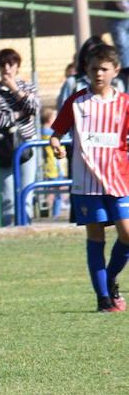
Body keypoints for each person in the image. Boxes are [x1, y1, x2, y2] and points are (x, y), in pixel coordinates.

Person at [48, 41, 129, 312]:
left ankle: (110, 277)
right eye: (94, 68)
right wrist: (57, 145)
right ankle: (103, 298)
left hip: (118, 180)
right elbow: (56, 133)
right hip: (87, 183)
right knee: (96, 237)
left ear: (115, 71)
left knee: (127, 234)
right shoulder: (77, 102)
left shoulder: (124, 104)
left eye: (104, 69)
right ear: (86, 69)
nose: (98, 74)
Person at [0, 47, 41, 227]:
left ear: (17, 66)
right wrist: (17, 115)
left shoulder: (27, 86)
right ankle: (6, 230)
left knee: (26, 192)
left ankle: (26, 228)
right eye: (2, 64)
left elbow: (34, 108)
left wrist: (15, 89)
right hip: (3, 147)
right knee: (6, 195)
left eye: (11, 64)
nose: (7, 68)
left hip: (26, 146)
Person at [39, 108, 66, 219]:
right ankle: (54, 215)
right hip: (53, 167)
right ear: (50, 119)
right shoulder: (49, 134)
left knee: (54, 193)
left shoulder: (40, 132)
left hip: (52, 167)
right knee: (54, 193)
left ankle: (53, 214)